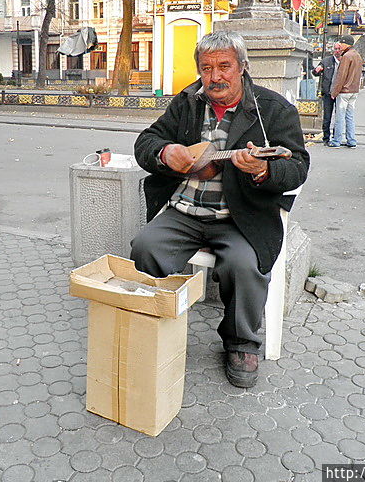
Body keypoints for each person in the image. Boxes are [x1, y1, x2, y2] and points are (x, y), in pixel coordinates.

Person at [130, 31, 310, 388]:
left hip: (240, 217)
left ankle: (242, 341)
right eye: (206, 68)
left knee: (245, 265)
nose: (215, 77)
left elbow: (297, 167)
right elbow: (146, 142)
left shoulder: (272, 110)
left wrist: (263, 168)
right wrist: (166, 152)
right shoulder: (187, 102)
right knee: (145, 246)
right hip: (184, 212)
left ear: (242, 68)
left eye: (224, 66)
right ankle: (156, 321)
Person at [328, 35, 364, 148]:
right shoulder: (357, 56)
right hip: (354, 90)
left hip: (344, 91)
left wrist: (334, 92)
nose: (340, 46)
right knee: (350, 116)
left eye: (342, 43)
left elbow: (341, 76)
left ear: (347, 44)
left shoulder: (346, 57)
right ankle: (351, 140)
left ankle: (336, 140)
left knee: (340, 116)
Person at [312, 45, 342, 144]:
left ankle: (336, 137)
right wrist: (317, 70)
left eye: (339, 49)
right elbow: (315, 72)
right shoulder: (326, 61)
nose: (337, 51)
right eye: (335, 49)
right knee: (327, 117)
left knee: (339, 116)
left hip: (340, 93)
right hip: (328, 93)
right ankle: (326, 138)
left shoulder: (345, 61)